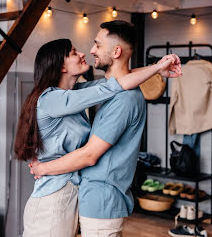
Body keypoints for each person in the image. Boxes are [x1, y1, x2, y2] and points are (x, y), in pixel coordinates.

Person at [30, 21, 182, 237]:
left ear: (116, 51)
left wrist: (42, 168)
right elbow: (114, 83)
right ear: (61, 66)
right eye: (75, 51)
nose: (89, 51)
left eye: (97, 45)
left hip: (95, 197)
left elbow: (90, 154)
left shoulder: (123, 99)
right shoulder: (60, 97)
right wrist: (157, 68)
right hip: (66, 196)